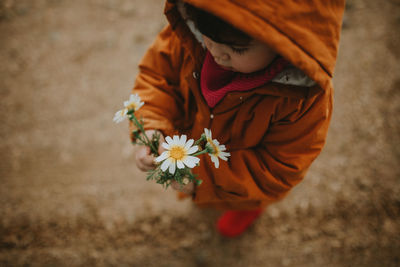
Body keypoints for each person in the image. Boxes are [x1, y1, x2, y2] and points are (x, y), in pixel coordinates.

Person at [131, 0, 345, 237]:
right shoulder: (191, 36)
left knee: (246, 196)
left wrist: (200, 177)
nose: (215, 52)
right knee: (204, 195)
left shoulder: (299, 99)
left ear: (285, 45)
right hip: (189, 150)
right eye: (208, 36)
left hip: (245, 181)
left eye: (237, 49)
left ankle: (246, 209)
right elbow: (157, 77)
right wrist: (151, 124)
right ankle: (206, 194)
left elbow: (277, 170)